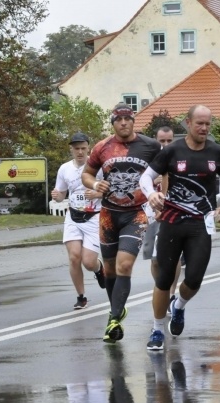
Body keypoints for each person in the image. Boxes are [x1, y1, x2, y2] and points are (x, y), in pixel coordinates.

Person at [140, 105, 220, 350]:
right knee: (164, 278)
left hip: (201, 223)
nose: (203, 128)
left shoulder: (217, 152)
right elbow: (145, 178)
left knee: (194, 279)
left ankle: (178, 306)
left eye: (207, 124)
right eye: (199, 123)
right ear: (188, 123)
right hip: (171, 222)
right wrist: (151, 195)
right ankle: (157, 330)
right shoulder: (171, 151)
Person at [82, 102, 162, 343]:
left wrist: (162, 197)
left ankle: (114, 317)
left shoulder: (150, 146)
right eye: (119, 119)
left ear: (133, 121)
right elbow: (86, 173)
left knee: (124, 265)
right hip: (108, 214)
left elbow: (166, 170)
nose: (124, 123)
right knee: (109, 270)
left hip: (135, 213)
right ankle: (116, 310)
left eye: (128, 119)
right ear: (113, 123)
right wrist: (95, 184)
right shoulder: (102, 147)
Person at [51, 132, 106, 309]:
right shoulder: (64, 169)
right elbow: (61, 196)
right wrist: (57, 196)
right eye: (76, 149)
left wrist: (97, 193)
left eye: (83, 148)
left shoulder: (98, 167)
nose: (80, 152)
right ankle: (81, 296)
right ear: (71, 150)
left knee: (88, 262)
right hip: (73, 216)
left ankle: (98, 269)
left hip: (94, 217)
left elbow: (111, 191)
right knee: (74, 257)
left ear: (88, 148)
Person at [142, 126, 183, 306]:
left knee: (172, 256)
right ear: (155, 140)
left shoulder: (178, 158)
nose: (166, 144)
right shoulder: (148, 159)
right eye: (162, 141)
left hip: (172, 210)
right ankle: (161, 288)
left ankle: (171, 293)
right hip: (149, 211)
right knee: (154, 258)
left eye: (169, 140)